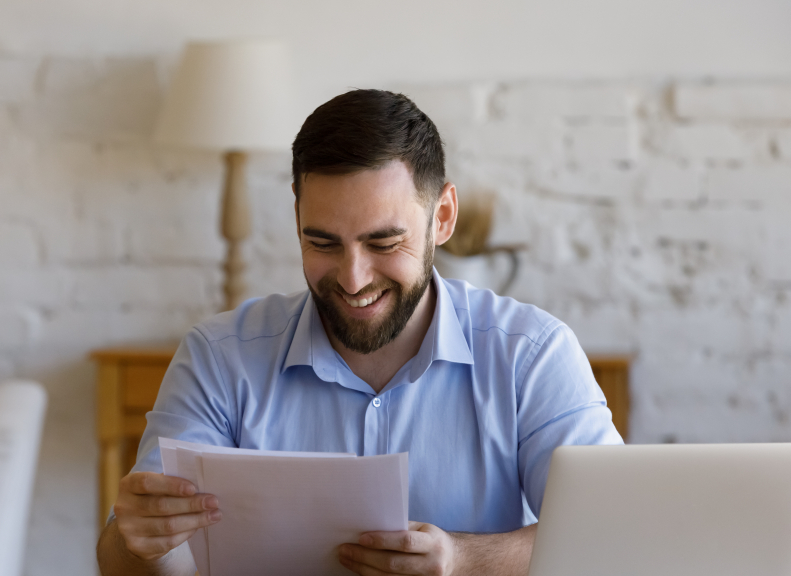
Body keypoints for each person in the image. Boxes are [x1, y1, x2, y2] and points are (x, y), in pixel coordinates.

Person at [96, 89, 623, 576]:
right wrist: (140, 539)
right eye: (322, 243)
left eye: (383, 243)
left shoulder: (531, 355)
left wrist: (462, 559)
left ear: (442, 217)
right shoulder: (219, 357)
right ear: (297, 219)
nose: (353, 279)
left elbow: (613, 537)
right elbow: (124, 560)